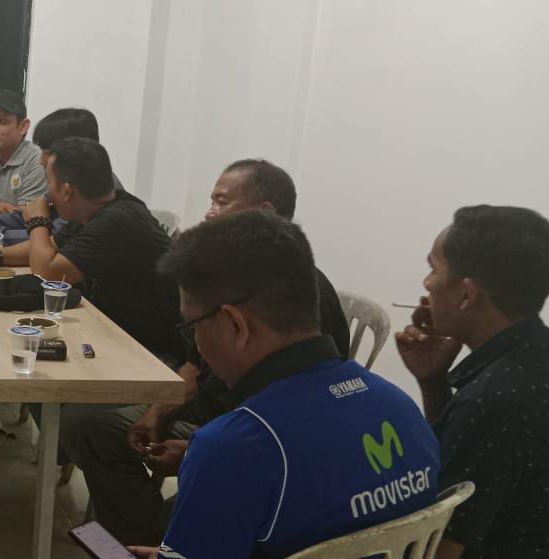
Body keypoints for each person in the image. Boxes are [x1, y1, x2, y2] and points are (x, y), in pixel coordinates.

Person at [61, 158, 352, 545]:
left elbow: (280, 424)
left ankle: (154, 541)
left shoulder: (293, 295)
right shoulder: (224, 280)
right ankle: (147, 536)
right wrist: (158, 413)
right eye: (211, 201)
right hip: (217, 418)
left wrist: (198, 450)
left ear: (263, 212)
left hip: (248, 430)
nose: (210, 213)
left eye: (221, 202)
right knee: (94, 427)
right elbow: (194, 367)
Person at [126, 210, 439, 559]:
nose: (197, 346)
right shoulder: (403, 411)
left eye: (192, 327)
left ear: (235, 325)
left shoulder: (230, 448)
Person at [396, 205, 549, 558]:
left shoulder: (492, 401)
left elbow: (438, 548)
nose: (426, 284)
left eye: (433, 269)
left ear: (466, 294)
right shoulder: (533, 356)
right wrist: (433, 382)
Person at [0, 137, 183, 362]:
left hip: (150, 353)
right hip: (111, 330)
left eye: (48, 181)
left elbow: (46, 273)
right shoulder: (95, 209)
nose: (46, 193)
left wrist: (37, 221)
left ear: (66, 191)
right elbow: (50, 248)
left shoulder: (115, 221)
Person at [0, 107, 114, 244]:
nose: (41, 159)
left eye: (47, 151)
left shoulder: (95, 195)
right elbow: (21, 218)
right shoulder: (70, 182)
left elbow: (50, 243)